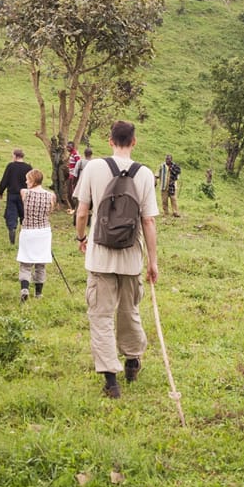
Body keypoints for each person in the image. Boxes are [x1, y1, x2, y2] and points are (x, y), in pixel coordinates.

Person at [73, 121, 159, 399]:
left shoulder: (94, 168)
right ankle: (132, 359)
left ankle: (111, 379)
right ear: (134, 142)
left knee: (101, 315)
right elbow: (148, 221)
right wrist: (152, 261)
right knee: (129, 310)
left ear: (109, 141)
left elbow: (83, 211)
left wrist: (80, 238)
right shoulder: (145, 174)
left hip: (99, 256)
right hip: (131, 257)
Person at [17, 169, 56, 302]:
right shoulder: (50, 195)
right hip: (43, 232)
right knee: (41, 263)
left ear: (33, 180)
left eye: (28, 179)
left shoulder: (24, 193)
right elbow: (50, 211)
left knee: (25, 263)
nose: (26, 181)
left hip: (28, 230)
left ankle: (25, 288)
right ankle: (38, 293)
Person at [0, 149, 33, 245]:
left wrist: (0, 192)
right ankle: (24, 235)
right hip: (25, 195)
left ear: (15, 156)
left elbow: (4, 180)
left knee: (11, 215)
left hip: (12, 194)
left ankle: (12, 229)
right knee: (24, 215)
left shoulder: (11, 166)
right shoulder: (28, 167)